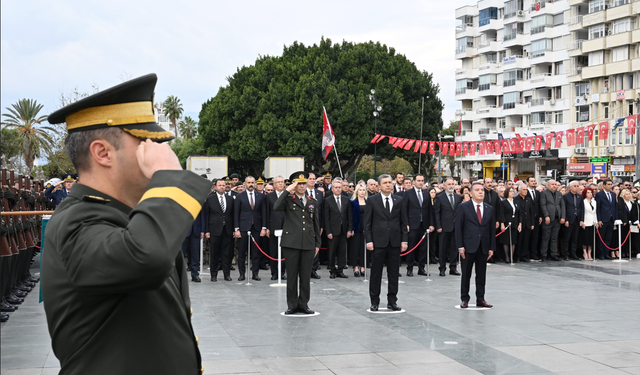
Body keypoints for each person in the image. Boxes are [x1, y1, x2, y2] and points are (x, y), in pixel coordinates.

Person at [42, 73, 209, 374]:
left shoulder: (128, 216)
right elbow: (147, 257)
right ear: (102, 153)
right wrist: (169, 180)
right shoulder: (75, 220)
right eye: (146, 141)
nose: (160, 151)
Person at [273, 172, 321, 315]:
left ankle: (304, 304)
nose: (301, 186)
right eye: (299, 183)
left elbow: (316, 223)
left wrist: (317, 243)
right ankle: (292, 305)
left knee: (305, 276)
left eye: (304, 183)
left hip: (308, 242)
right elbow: (276, 207)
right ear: (294, 185)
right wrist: (287, 190)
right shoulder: (288, 199)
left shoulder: (312, 201)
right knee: (292, 275)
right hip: (291, 243)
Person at [364, 174, 408, 312]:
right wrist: (369, 240)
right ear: (379, 186)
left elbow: (403, 222)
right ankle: (374, 301)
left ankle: (392, 301)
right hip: (378, 242)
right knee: (376, 273)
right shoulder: (372, 200)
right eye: (385, 183)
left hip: (394, 242)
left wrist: (404, 240)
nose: (388, 185)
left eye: (390, 182)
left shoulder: (399, 200)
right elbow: (367, 223)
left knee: (393, 273)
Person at [456, 182, 495, 309]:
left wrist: (491, 247)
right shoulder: (463, 207)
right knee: (466, 273)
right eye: (477, 190)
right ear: (471, 193)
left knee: (481, 274)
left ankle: (480, 298)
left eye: (482, 190)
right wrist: (460, 246)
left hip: (483, 246)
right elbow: (458, 228)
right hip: (468, 246)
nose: (480, 192)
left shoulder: (489, 208)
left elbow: (491, 230)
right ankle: (465, 298)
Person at [233, 176, 267, 281]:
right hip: (243, 227)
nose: (251, 184)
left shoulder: (260, 196)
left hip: (256, 227)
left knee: (256, 252)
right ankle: (242, 274)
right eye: (249, 183)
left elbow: (264, 213)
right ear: (245, 184)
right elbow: (236, 213)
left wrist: (264, 227)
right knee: (242, 252)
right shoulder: (240, 196)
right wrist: (236, 229)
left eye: (253, 182)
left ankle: (255, 274)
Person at [401, 174, 434, 276]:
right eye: (419, 180)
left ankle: (421, 268)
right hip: (412, 224)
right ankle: (409, 268)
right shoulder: (408, 193)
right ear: (414, 181)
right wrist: (406, 224)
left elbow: (430, 210)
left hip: (424, 225)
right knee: (411, 247)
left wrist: (431, 224)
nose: (421, 182)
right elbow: (404, 210)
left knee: (423, 248)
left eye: (422, 180)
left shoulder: (426, 193)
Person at [205, 178, 235, 281]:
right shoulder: (209, 199)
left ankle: (227, 274)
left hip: (228, 230)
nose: (222, 187)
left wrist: (235, 229)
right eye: (220, 185)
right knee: (214, 254)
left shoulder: (230, 199)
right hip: (214, 230)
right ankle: (213, 275)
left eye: (223, 185)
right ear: (215, 186)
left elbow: (233, 215)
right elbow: (206, 216)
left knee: (226, 254)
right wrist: (207, 230)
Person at [324, 180, 353, 278]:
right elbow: (326, 218)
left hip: (343, 230)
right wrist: (328, 231)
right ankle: (332, 270)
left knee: (342, 251)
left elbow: (350, 216)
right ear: (332, 189)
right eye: (336, 187)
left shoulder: (346, 199)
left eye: (339, 187)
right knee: (332, 251)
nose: (338, 189)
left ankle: (340, 270)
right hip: (333, 230)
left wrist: (349, 229)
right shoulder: (327, 200)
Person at [434, 177, 462, 277]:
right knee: (442, 248)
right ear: (444, 186)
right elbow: (437, 213)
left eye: (452, 184)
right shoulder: (440, 197)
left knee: (454, 248)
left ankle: (453, 268)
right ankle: (442, 268)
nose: (451, 186)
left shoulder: (458, 197)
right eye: (449, 184)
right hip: (444, 227)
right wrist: (438, 226)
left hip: (455, 227)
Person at [265, 176, 287, 280]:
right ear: (274, 185)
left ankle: (282, 272)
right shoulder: (269, 196)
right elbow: (266, 213)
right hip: (274, 227)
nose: (280, 184)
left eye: (282, 182)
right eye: (278, 182)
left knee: (284, 251)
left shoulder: (288, 195)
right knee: (274, 251)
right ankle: (274, 273)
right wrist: (267, 228)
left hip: (286, 227)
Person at [182, 191, 207, 282]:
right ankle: (179, 276)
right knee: (181, 255)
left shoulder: (199, 199)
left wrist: (202, 230)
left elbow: (202, 216)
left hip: (196, 230)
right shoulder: (179, 198)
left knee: (195, 254)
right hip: (183, 231)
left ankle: (195, 274)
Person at [539, 180, 565, 261]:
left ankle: (553, 254)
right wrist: (546, 215)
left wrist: (563, 217)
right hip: (548, 218)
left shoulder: (559, 194)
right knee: (546, 237)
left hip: (557, 219)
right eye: (552, 184)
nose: (554, 186)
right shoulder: (544, 193)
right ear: (548, 185)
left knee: (554, 237)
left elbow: (562, 206)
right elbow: (542, 205)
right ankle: (544, 254)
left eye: (555, 184)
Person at [306, 173, 324, 279]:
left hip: (316, 224)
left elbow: (321, 210)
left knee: (316, 246)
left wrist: (321, 225)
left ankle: (313, 269)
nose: (312, 181)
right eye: (310, 179)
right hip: (305, 223)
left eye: (314, 179)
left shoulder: (319, 193)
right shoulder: (303, 193)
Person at [349, 183, 368, 277]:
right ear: (357, 191)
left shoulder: (368, 202)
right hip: (356, 227)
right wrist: (351, 228)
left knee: (363, 247)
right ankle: (355, 266)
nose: (362, 192)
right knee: (355, 247)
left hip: (366, 227)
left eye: (363, 190)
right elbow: (350, 216)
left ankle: (363, 266)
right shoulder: (352, 202)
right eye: (360, 190)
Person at [595, 179, 616, 260]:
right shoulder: (599, 194)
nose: (610, 186)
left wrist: (615, 218)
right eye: (608, 184)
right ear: (604, 185)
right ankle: (601, 254)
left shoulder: (613, 194)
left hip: (611, 218)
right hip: (603, 219)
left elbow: (615, 207)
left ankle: (606, 253)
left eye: (611, 184)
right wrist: (599, 219)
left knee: (608, 237)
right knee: (601, 237)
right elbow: (598, 208)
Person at [498, 187, 520, 263]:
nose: (512, 193)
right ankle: (506, 256)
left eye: (513, 191)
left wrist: (519, 223)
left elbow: (518, 213)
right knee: (506, 240)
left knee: (513, 240)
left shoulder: (516, 202)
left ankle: (512, 256)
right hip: (507, 223)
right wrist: (502, 224)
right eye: (510, 191)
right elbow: (501, 213)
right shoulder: (503, 202)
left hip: (514, 223)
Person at [562, 181, 583, 260]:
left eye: (577, 186)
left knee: (575, 238)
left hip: (577, 219)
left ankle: (573, 253)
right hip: (569, 219)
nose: (576, 187)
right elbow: (564, 208)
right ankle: (565, 254)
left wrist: (581, 219)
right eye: (574, 186)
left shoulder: (579, 196)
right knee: (567, 238)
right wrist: (566, 219)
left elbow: (582, 208)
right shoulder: (566, 196)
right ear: (570, 187)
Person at [514, 184, 533, 262]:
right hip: (519, 223)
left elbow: (531, 212)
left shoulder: (529, 199)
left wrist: (532, 223)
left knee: (526, 240)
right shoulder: (516, 199)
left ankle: (524, 255)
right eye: (524, 189)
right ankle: (517, 256)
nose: (525, 191)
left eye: (526, 190)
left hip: (528, 223)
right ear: (519, 191)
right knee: (519, 240)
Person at [579, 187, 597, 260]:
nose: (590, 194)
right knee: (585, 238)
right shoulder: (583, 202)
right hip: (586, 222)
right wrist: (582, 222)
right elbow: (582, 212)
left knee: (591, 239)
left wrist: (596, 221)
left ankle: (590, 253)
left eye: (591, 192)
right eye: (588, 193)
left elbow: (595, 212)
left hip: (593, 222)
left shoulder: (594, 202)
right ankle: (584, 252)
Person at [616, 189, 633, 259]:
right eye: (626, 194)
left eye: (629, 194)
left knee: (628, 237)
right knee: (622, 237)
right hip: (623, 221)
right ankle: (622, 251)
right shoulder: (622, 202)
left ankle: (627, 251)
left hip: (630, 222)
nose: (628, 195)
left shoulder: (632, 203)